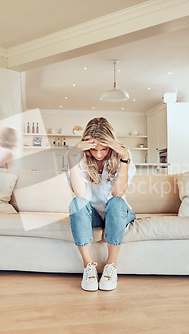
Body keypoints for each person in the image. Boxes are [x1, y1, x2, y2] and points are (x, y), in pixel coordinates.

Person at [67, 117, 136, 291]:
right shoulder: (80, 157)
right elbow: (80, 195)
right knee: (77, 203)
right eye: (93, 149)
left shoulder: (122, 156)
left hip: (118, 212)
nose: (98, 154)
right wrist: (71, 158)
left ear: (111, 146)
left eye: (104, 149)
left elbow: (117, 193)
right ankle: (88, 266)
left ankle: (111, 265)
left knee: (116, 202)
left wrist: (125, 159)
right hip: (94, 215)